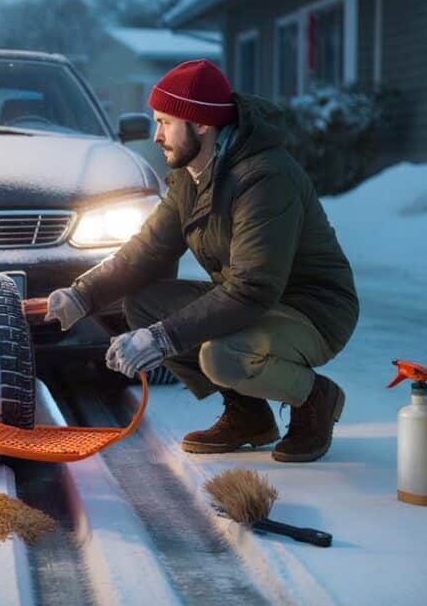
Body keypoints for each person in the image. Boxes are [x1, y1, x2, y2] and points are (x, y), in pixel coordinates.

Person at [45, 59, 359, 463]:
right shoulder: (193, 176)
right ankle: (249, 415)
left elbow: (253, 287)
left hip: (311, 310)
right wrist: (82, 295)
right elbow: (148, 250)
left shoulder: (264, 177)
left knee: (221, 355)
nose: (156, 136)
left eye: (165, 122)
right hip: (259, 302)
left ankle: (315, 398)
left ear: (202, 124)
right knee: (144, 303)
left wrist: (163, 338)